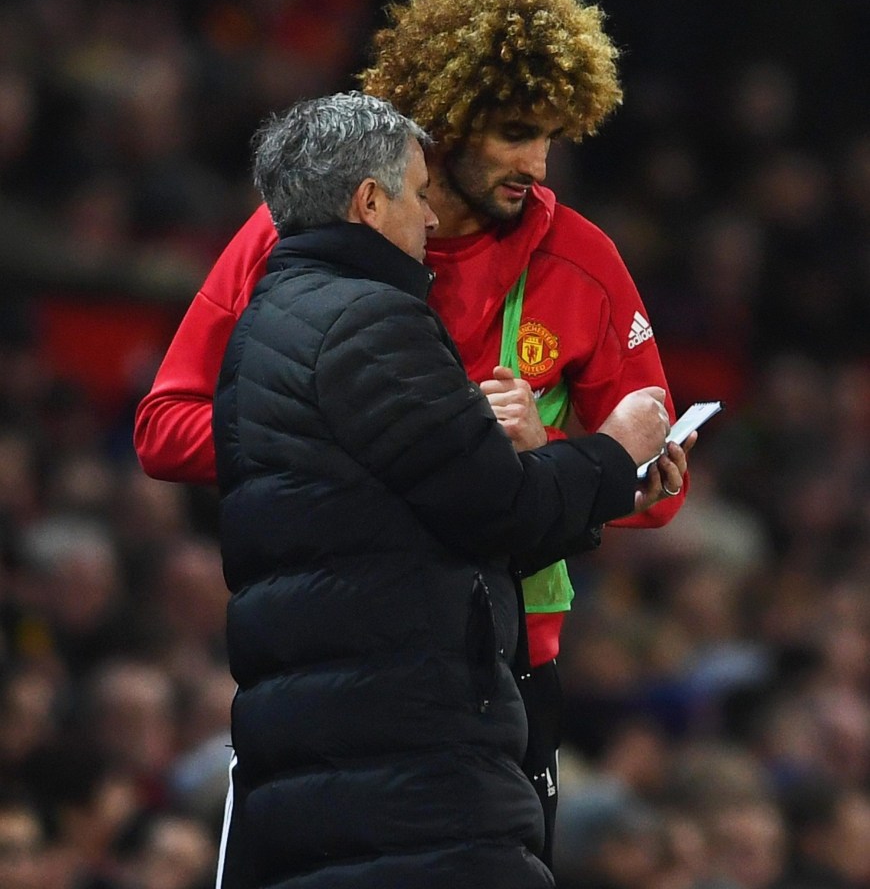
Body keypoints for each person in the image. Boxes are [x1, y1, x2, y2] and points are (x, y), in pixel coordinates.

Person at [134, 0, 691, 869]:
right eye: (516, 131)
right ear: (444, 123)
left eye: (553, 135)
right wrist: (384, 452)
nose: (538, 164)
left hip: (515, 672)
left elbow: (657, 483)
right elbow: (166, 426)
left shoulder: (583, 259)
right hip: (350, 659)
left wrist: (543, 446)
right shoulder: (298, 238)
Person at [213, 88, 673, 888]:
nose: (430, 221)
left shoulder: (266, 322)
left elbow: (407, 505)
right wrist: (609, 453)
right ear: (366, 200)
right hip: (405, 746)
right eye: (416, 195)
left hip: (317, 738)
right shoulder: (369, 323)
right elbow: (497, 505)